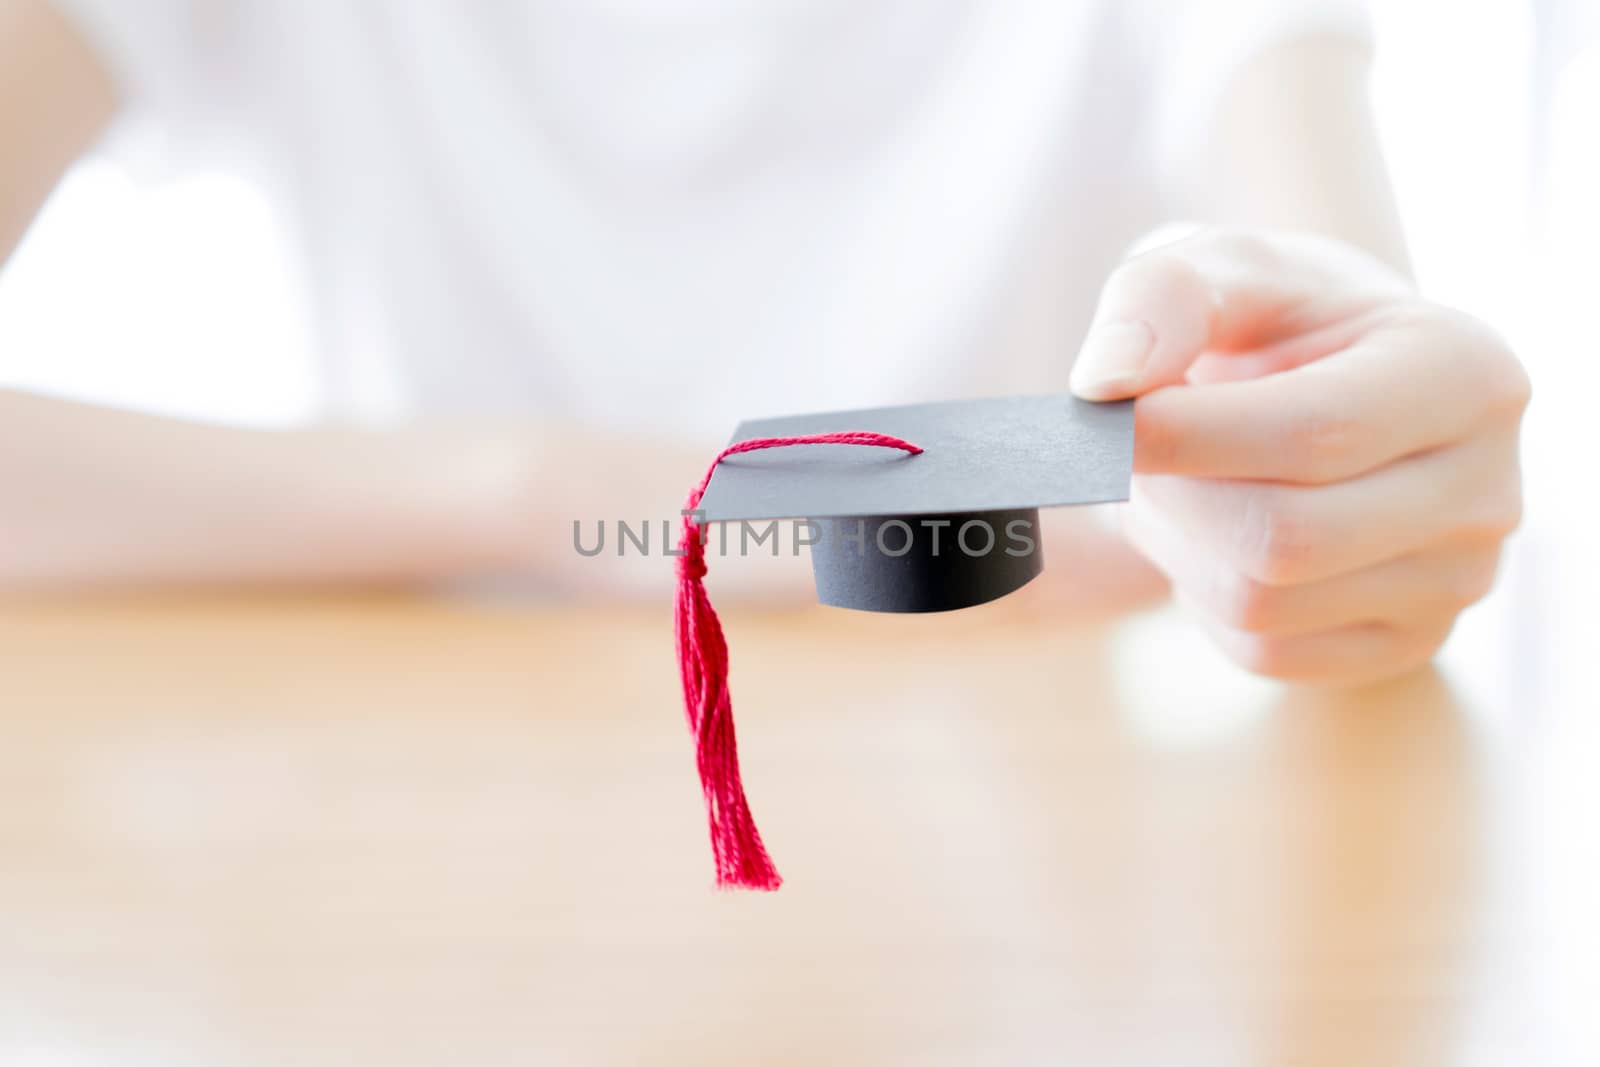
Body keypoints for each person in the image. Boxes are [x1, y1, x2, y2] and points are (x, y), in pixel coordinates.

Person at [0, 0, 1529, 684]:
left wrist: (1357, 461)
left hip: (1005, 797)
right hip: (404, 799)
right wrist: (547, 495)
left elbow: (1347, 353)